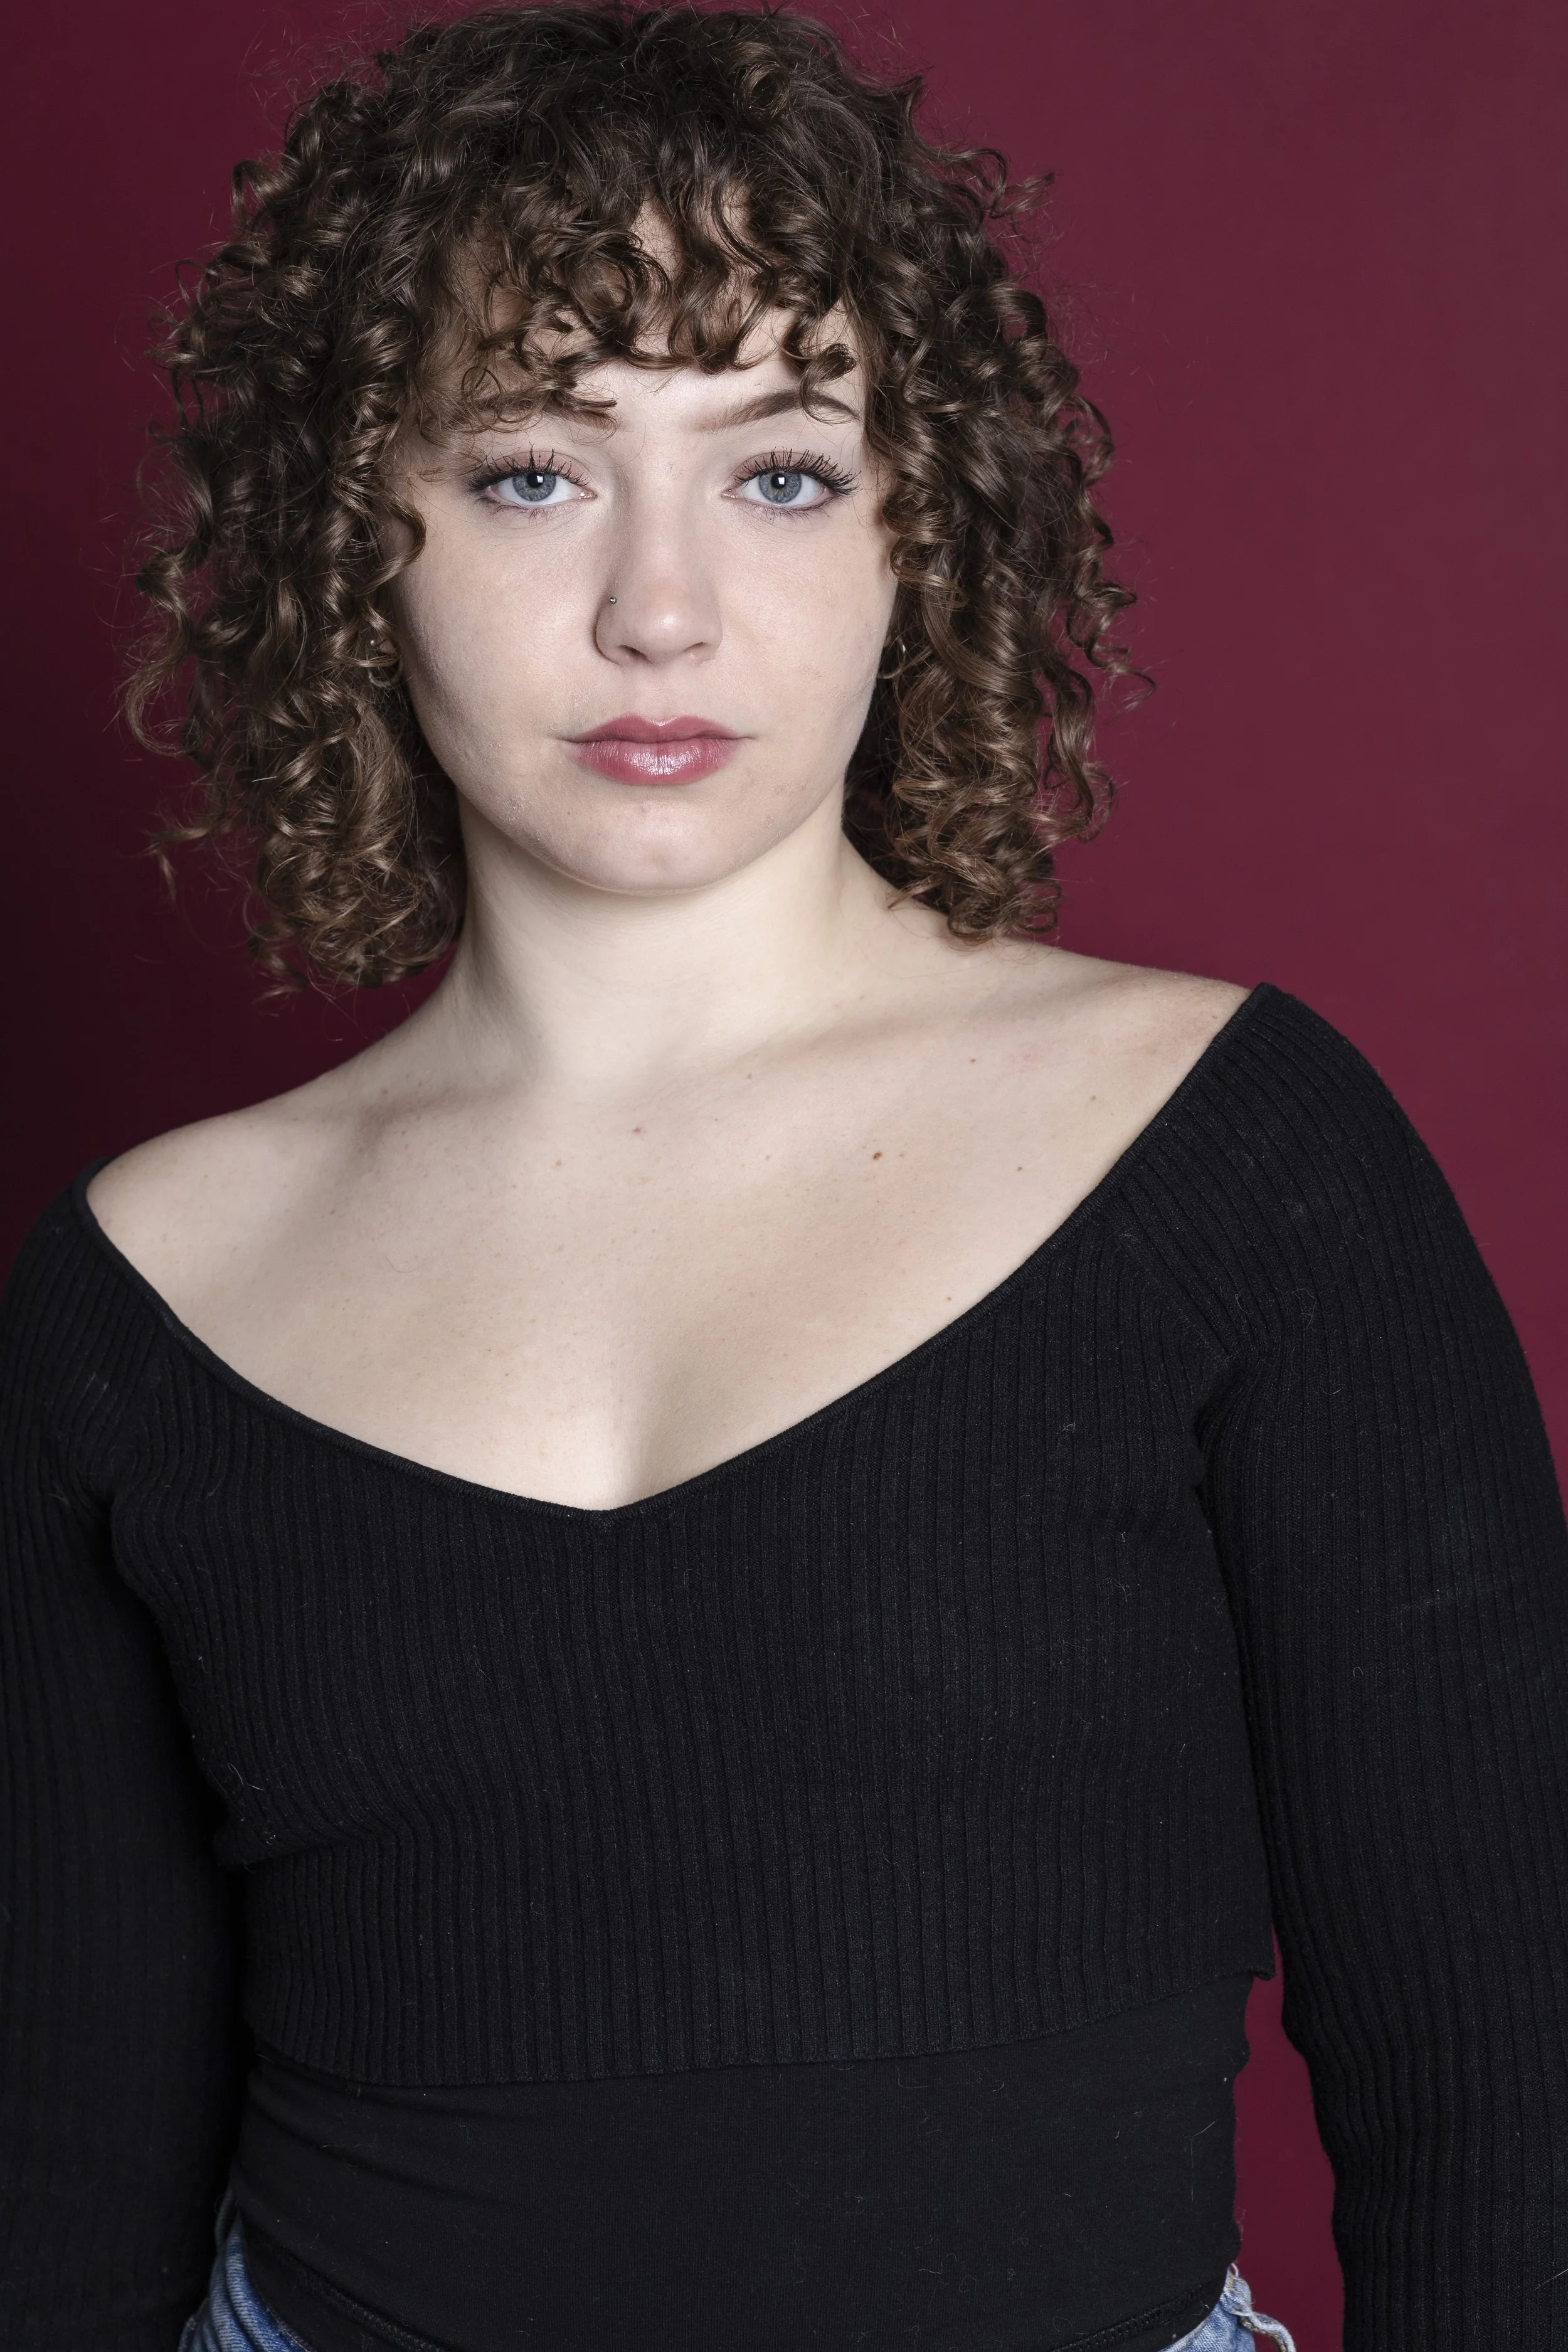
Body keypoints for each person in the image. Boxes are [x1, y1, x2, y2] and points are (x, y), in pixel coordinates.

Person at [2, 4, 1565, 2348]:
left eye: (782, 472)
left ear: (920, 527)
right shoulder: (142, 1282)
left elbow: (1502, 2078)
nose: (661, 608)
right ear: (355, 538)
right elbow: (59, 2192)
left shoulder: (1235, 1157)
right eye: (533, 470)